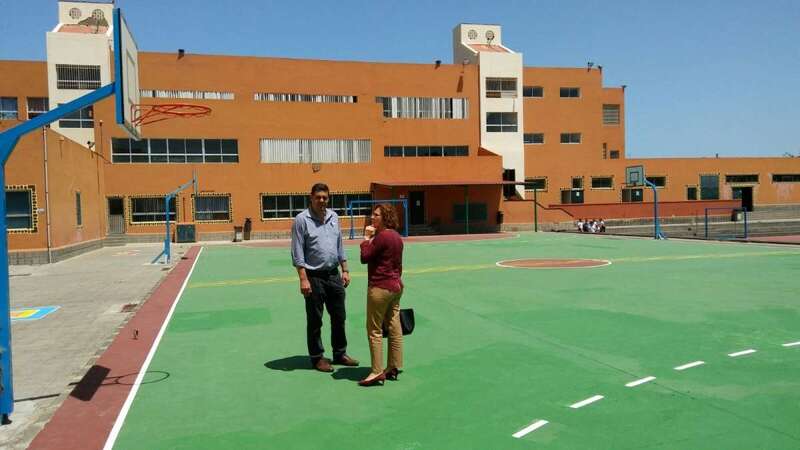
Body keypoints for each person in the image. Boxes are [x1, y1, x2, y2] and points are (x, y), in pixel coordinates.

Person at [291, 183, 359, 372]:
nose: (322, 200)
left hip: (333, 275)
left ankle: (339, 353)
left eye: (325, 197)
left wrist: (345, 269)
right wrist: (303, 279)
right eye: (318, 197)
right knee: (315, 320)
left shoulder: (333, 217)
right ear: (311, 197)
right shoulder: (301, 220)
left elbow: (339, 245)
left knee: (339, 317)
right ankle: (317, 357)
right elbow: (297, 253)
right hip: (313, 277)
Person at [358, 204, 405, 387]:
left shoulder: (382, 236)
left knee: (374, 329)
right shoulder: (397, 237)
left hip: (380, 287)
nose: (372, 217)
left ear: (385, 217)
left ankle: (377, 371)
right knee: (394, 326)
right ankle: (393, 365)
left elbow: (365, 257)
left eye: (376, 215)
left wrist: (366, 238)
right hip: (396, 286)